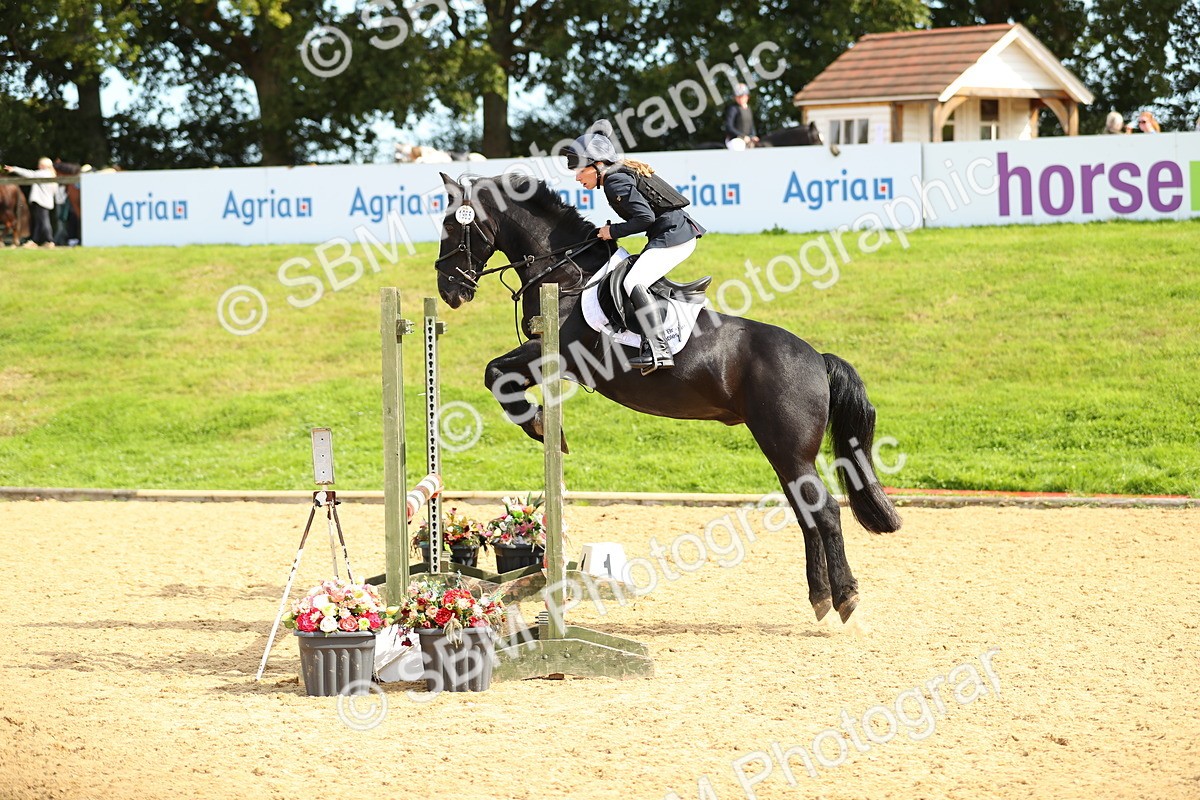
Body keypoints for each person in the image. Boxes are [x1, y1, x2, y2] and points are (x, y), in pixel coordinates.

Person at [566, 131, 706, 374]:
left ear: (598, 165)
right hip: (673, 233)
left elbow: (644, 218)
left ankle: (658, 348)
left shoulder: (614, 181)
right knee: (636, 274)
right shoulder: (617, 175)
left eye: (580, 170)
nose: (577, 178)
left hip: (674, 236)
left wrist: (613, 232)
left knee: (633, 280)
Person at [3, 157, 56, 247]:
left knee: (43, 221)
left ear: (43, 165)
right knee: (40, 222)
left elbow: (30, 173)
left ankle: (49, 240)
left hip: (41, 201)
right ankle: (35, 240)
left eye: (39, 164)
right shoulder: (51, 174)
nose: (38, 166)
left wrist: (15, 169)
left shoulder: (44, 173)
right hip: (44, 201)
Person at [724, 83, 759, 149]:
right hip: (735, 139)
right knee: (738, 145)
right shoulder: (733, 109)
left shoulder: (749, 109)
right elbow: (729, 127)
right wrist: (742, 136)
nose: (739, 99)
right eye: (738, 97)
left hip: (747, 139)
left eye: (741, 96)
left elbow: (751, 126)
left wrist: (753, 136)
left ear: (747, 96)